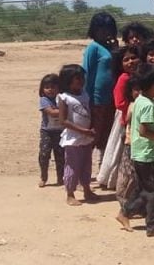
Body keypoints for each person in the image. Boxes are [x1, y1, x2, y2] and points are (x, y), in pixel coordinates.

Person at [117, 64, 154, 236]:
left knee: (146, 188)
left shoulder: (140, 100)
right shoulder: (149, 105)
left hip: (141, 152)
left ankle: (126, 212)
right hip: (147, 154)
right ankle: (152, 227)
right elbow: (144, 131)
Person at [97, 46, 140, 189]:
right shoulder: (124, 78)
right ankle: (112, 180)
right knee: (118, 151)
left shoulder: (140, 76)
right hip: (125, 118)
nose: (131, 62)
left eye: (133, 58)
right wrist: (134, 107)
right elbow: (119, 102)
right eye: (126, 60)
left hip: (136, 116)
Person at [57, 64, 98, 206]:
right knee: (72, 166)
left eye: (82, 78)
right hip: (73, 139)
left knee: (86, 165)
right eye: (77, 79)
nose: (81, 81)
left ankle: (87, 189)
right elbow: (63, 121)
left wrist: (90, 129)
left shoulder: (84, 94)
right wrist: (81, 130)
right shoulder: (64, 98)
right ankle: (70, 193)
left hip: (86, 137)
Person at [82, 12, 118, 172]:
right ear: (94, 30)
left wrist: (116, 49)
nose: (104, 32)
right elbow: (87, 73)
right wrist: (85, 99)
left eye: (108, 29)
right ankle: (82, 173)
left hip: (112, 99)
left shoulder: (111, 47)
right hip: (96, 100)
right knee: (92, 137)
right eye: (101, 29)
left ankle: (102, 170)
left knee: (107, 136)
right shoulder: (93, 48)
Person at [115, 77, 143, 228]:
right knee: (132, 179)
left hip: (136, 146)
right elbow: (129, 121)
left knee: (136, 179)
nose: (138, 93)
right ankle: (125, 209)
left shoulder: (138, 104)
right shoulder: (134, 106)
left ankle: (131, 208)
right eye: (136, 90)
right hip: (133, 146)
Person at [37, 73, 64, 187]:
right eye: (47, 87)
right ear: (42, 89)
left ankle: (60, 178)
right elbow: (52, 113)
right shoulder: (44, 100)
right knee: (44, 154)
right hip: (47, 132)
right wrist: (67, 110)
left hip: (61, 131)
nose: (50, 90)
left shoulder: (62, 98)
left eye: (53, 87)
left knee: (61, 156)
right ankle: (44, 176)